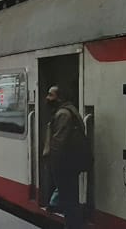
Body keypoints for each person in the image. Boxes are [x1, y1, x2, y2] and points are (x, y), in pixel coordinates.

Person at [45, 85, 86, 229]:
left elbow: (58, 143)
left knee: (68, 200)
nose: (47, 98)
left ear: (60, 98)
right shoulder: (71, 110)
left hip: (65, 164)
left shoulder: (63, 114)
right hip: (71, 162)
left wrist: (53, 166)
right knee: (70, 198)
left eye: (50, 95)